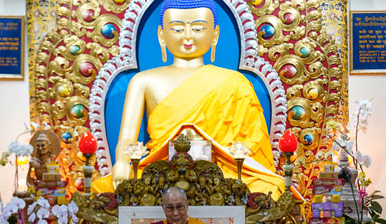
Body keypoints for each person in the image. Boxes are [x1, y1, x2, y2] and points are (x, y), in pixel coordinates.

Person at [92, 0, 286, 197]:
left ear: (215, 34)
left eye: (198, 28)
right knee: (102, 189)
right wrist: (123, 163)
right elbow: (127, 138)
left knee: (268, 189)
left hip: (219, 173)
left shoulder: (235, 81)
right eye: (177, 29)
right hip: (162, 172)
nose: (187, 36)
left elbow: (252, 142)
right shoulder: (143, 81)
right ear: (161, 35)